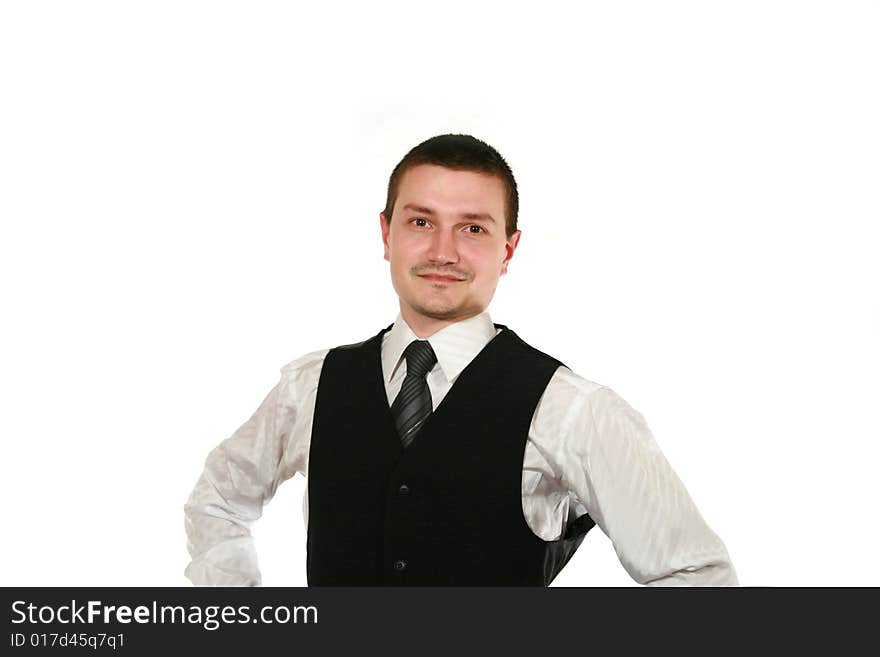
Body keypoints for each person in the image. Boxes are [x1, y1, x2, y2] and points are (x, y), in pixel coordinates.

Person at [183, 133, 738, 586]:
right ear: (387, 233)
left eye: (473, 228)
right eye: (421, 221)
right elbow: (218, 498)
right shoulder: (310, 385)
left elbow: (697, 576)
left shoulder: (571, 409)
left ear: (508, 249)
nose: (443, 251)